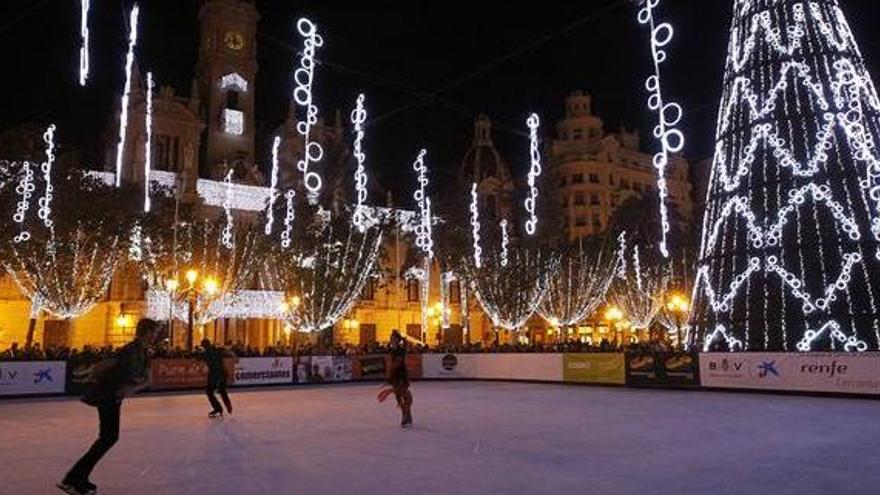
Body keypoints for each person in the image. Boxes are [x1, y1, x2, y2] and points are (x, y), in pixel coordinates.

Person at [58, 318, 162, 495]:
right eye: (155, 332)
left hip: (114, 395)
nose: (156, 335)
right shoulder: (131, 349)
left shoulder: (143, 352)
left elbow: (147, 379)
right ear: (147, 332)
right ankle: (73, 478)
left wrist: (132, 387)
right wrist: (91, 372)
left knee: (108, 437)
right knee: (108, 437)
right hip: (107, 394)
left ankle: (77, 477)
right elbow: (109, 363)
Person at [378, 330, 413, 428]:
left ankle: (406, 416)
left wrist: (390, 373)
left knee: (404, 395)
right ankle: (406, 415)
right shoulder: (393, 350)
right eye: (391, 338)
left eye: (392, 338)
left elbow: (397, 363)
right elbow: (392, 363)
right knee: (398, 397)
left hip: (401, 375)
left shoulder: (400, 350)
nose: (390, 339)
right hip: (396, 375)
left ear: (397, 340)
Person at [201, 338, 232, 418]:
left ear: (204, 345)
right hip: (222, 373)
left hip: (214, 375)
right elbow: (223, 356)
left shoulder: (206, 353)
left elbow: (211, 364)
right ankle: (228, 405)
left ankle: (218, 408)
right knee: (222, 390)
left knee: (209, 391)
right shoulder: (216, 349)